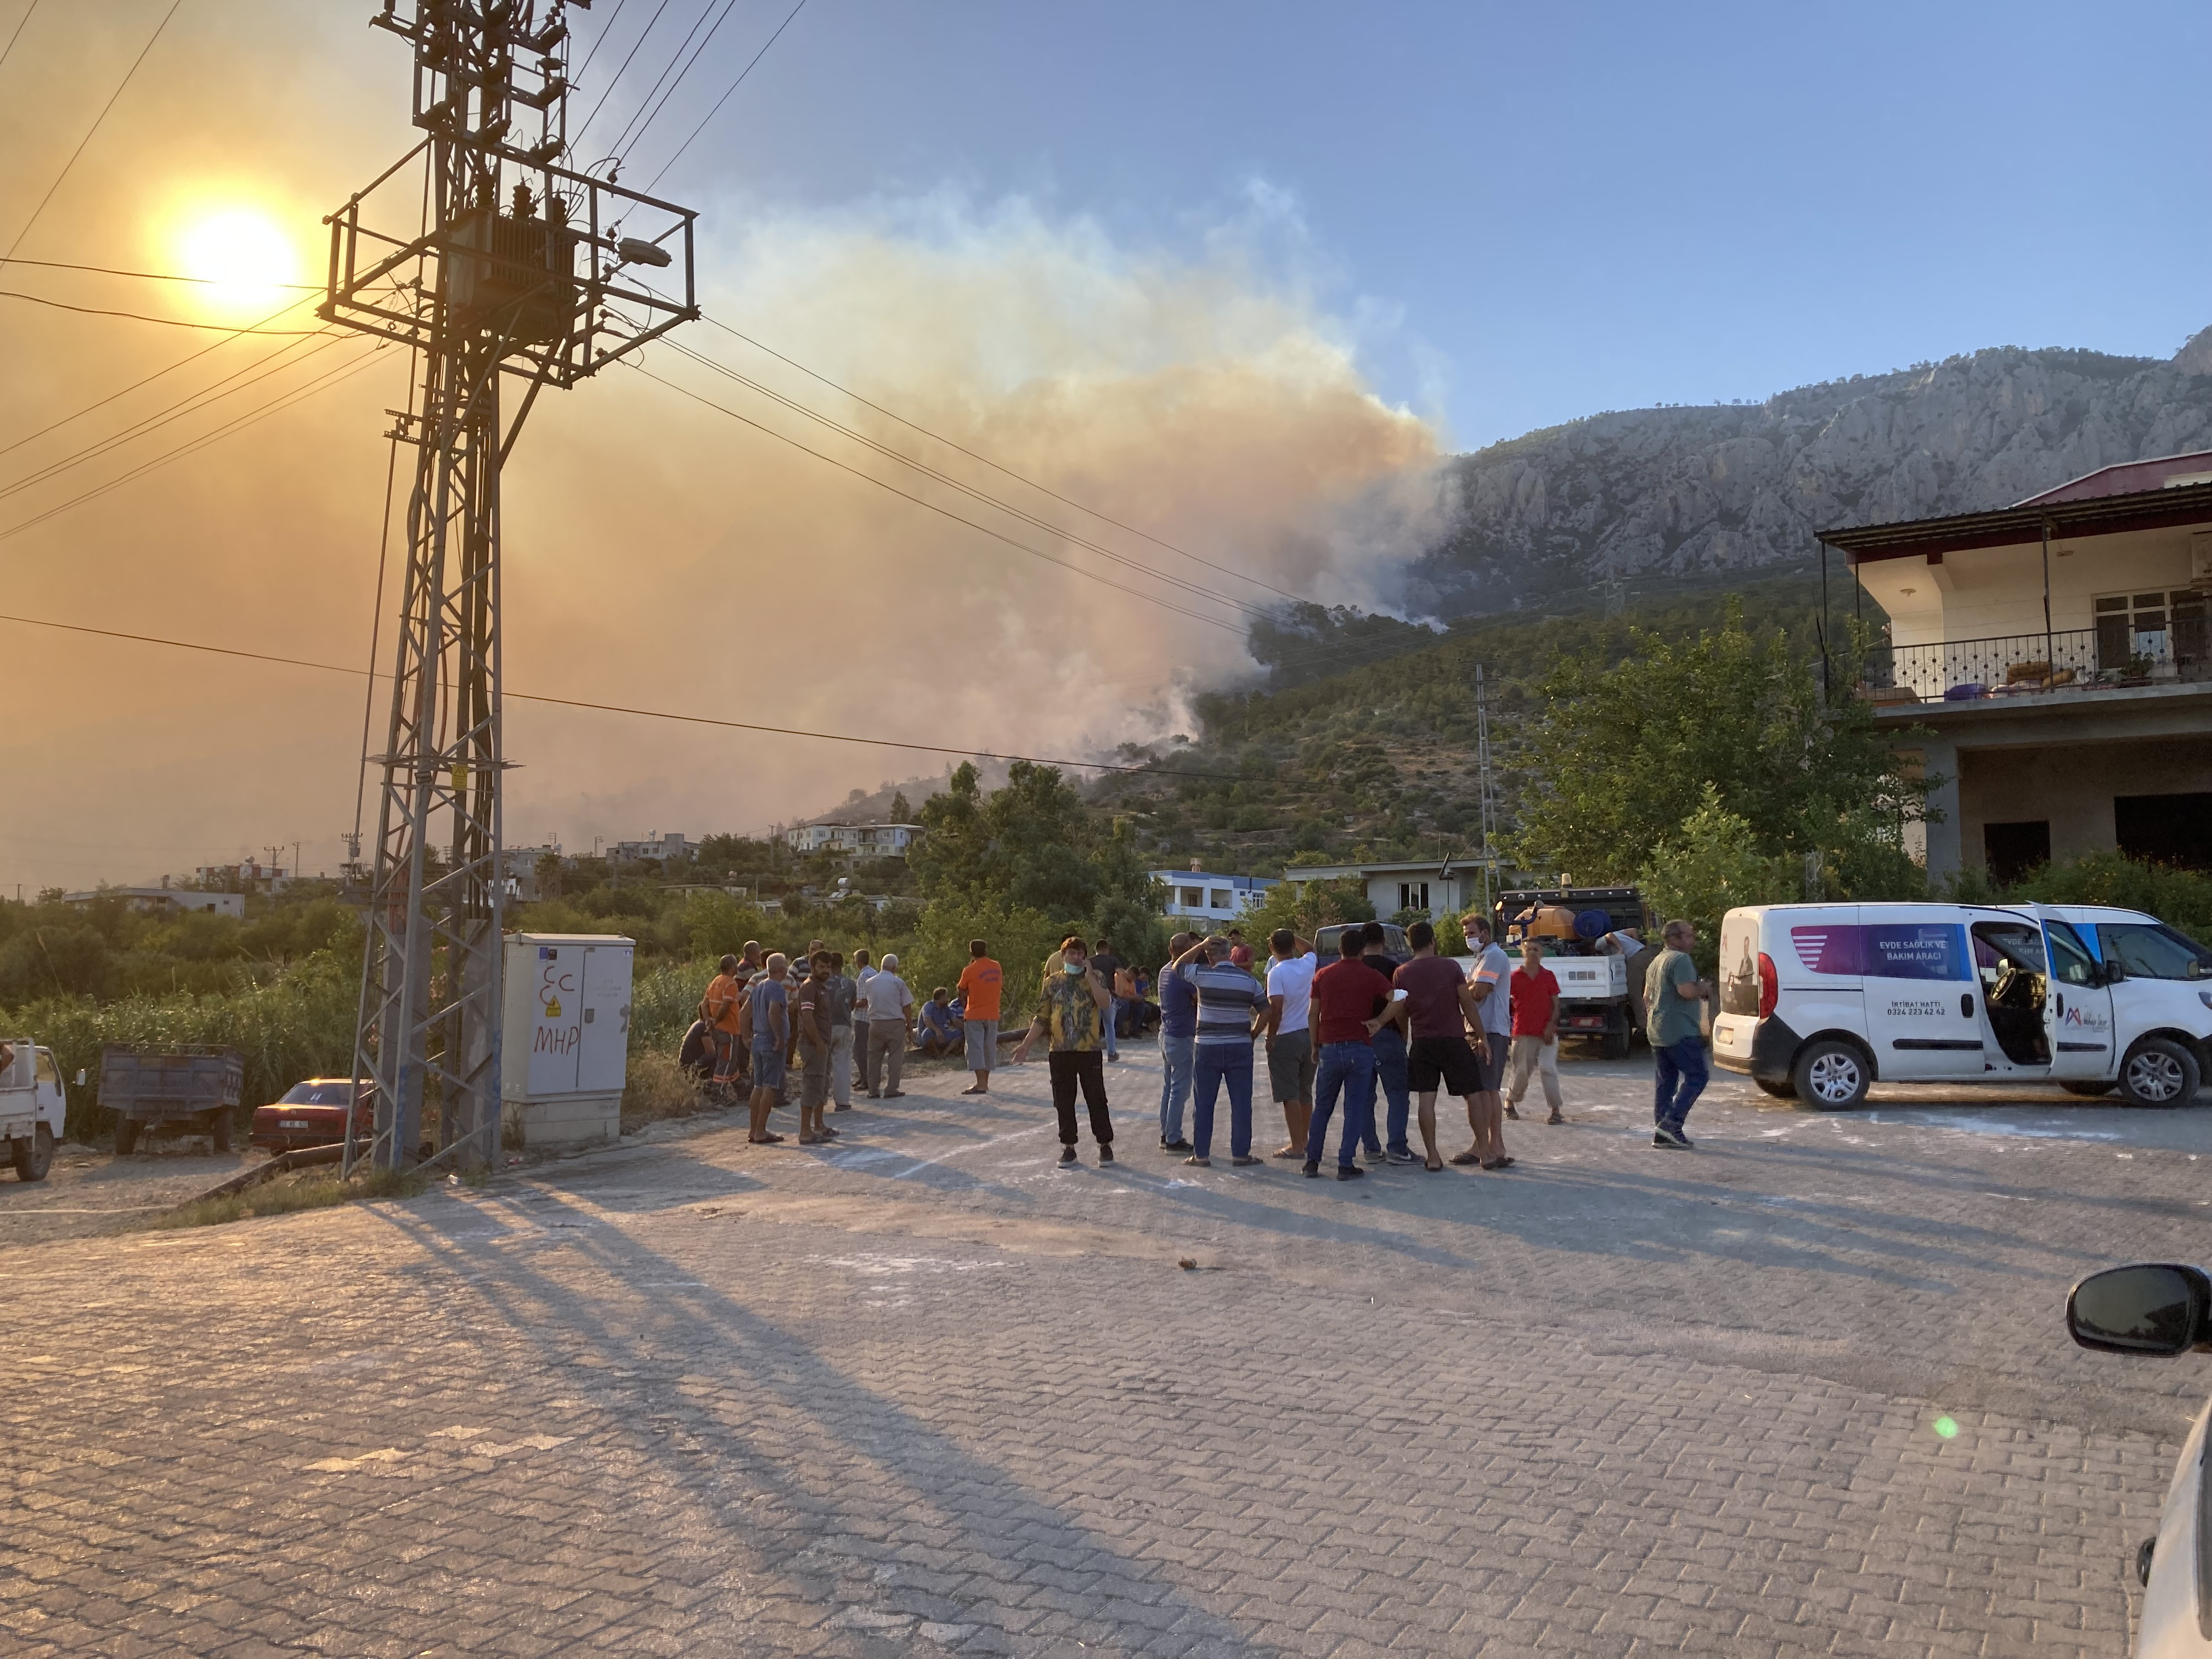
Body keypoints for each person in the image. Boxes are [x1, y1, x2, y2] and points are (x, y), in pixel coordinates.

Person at [1397, 921, 1500, 1170]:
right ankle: (1485, 1154)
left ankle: (1433, 1157)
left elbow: (1400, 1011)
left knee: (1426, 1099)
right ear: (1433, 940)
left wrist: (1404, 1038)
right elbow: (1467, 1003)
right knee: (1473, 1096)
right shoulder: (1450, 967)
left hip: (1423, 1043)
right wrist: (1482, 1037)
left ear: (1410, 944)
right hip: (1453, 1040)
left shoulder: (1402, 972)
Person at [1012, 935, 1115, 1165]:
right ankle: (1069, 1147)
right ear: (1063, 955)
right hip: (1060, 1050)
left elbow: (1105, 1004)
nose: (1077, 958)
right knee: (1064, 1101)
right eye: (1073, 954)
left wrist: (1090, 978)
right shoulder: (1052, 982)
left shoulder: (1096, 977)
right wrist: (1026, 1045)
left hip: (1089, 1050)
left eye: (1081, 954)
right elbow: (1042, 1017)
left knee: (1096, 1099)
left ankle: (1105, 1145)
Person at [1303, 930, 1395, 1180]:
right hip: (1360, 1046)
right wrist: (1380, 1021)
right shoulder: (1370, 975)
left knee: (1322, 1107)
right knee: (1354, 1107)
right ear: (1363, 950)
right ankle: (1346, 1164)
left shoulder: (1323, 975)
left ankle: (1312, 1161)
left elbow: (1313, 1014)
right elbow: (1397, 998)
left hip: (1329, 1047)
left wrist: (1314, 1044)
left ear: (1339, 949)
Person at [1187, 934, 1269, 1168]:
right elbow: (1266, 1012)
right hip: (1240, 1046)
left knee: (1204, 1102)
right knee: (1242, 1102)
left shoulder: (1202, 975)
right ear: (1230, 954)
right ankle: (1241, 1154)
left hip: (1207, 1047)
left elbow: (1177, 966)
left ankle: (1201, 1155)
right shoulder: (1249, 980)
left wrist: (1200, 946)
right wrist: (1252, 1034)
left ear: (1210, 955)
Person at [1646, 918, 1713, 1149]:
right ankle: (1671, 1125)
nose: (1693, 939)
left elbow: (1647, 997)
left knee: (1666, 1081)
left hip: (1658, 1029)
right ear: (1675, 938)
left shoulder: (1657, 961)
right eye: (1689, 935)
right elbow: (1686, 991)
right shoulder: (1681, 959)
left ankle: (1662, 1130)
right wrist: (1703, 988)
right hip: (1680, 1030)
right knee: (1698, 1076)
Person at [1261, 928, 1318, 1159]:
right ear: (1293, 945)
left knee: (1289, 1094)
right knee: (1305, 1092)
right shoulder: (1308, 964)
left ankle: (1296, 1146)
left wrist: (1271, 1036)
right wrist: (1292, 936)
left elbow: (1276, 1006)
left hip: (1286, 1036)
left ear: (1271, 948)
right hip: (1309, 1034)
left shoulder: (1276, 972)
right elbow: (1311, 948)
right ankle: (1304, 1139)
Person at [1358, 919, 1413, 1164]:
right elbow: (1400, 1006)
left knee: (1363, 1096)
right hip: (1387, 1035)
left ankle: (1370, 1148)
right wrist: (1403, 1033)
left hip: (1358, 1039)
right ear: (1383, 941)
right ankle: (1397, 1148)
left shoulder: (1353, 969)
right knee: (1398, 1094)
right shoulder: (1394, 969)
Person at [1464, 913, 1516, 1143]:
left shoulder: (1494, 956)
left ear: (1485, 933)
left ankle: (1486, 1146)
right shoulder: (1480, 959)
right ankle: (1493, 1145)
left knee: (1487, 1090)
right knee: (1485, 1090)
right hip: (1479, 1030)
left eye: (1472, 933)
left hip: (1491, 1031)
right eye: (1466, 935)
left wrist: (1464, 986)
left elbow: (1477, 993)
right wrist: (1468, 986)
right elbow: (1470, 989)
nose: (1469, 938)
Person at [1504, 936, 1564, 1127]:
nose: (1532, 953)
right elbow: (1504, 1003)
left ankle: (1555, 1110)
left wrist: (1550, 1026)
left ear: (1542, 952)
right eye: (1528, 949)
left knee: (1548, 1068)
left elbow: (1556, 1005)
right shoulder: (1514, 977)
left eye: (1535, 949)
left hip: (1546, 1032)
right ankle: (1510, 1101)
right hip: (1523, 1031)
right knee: (1522, 1070)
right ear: (1522, 952)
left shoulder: (1548, 976)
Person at [1154, 931, 1198, 1153]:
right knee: (1180, 1091)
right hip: (1182, 1037)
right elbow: (1199, 1000)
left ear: (1171, 950)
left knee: (1168, 1088)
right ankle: (1173, 1138)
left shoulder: (1164, 971)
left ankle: (1166, 1132)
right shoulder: (1185, 975)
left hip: (1166, 1034)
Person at [791, 951, 837, 1144]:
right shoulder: (809, 988)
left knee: (822, 1085)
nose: (826, 971)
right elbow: (808, 1018)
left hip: (823, 1044)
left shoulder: (822, 988)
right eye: (821, 967)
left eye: (828, 967)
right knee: (812, 1085)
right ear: (812, 968)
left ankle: (819, 1125)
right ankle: (805, 1131)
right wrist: (818, 1043)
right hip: (813, 1045)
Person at [744, 952, 790, 1144]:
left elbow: (743, 1013)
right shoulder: (777, 988)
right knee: (770, 1087)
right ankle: (762, 1131)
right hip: (770, 1042)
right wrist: (779, 1037)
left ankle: (754, 1130)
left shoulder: (758, 987)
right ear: (782, 970)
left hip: (757, 1040)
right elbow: (774, 1012)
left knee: (758, 1086)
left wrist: (746, 1037)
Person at [861, 951, 913, 1097]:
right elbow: (907, 1005)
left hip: (875, 1024)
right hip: (895, 1024)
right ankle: (891, 1089)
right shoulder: (898, 983)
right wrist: (909, 1025)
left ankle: (873, 1091)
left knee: (874, 1058)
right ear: (894, 968)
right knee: (895, 1058)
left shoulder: (869, 982)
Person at [956, 938, 1003, 1096]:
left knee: (975, 1048)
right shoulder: (996, 966)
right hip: (993, 1013)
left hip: (975, 1014)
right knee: (989, 1048)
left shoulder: (969, 970)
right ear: (986, 950)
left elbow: (961, 988)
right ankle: (985, 1083)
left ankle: (980, 1084)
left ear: (971, 952)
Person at [704, 954, 747, 1099]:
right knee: (726, 1062)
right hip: (728, 1030)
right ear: (731, 968)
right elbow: (726, 1006)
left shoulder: (715, 982)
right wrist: (715, 1020)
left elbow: (704, 1004)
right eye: (736, 966)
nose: (737, 968)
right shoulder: (730, 984)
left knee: (730, 1061)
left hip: (718, 1030)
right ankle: (718, 1093)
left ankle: (741, 1090)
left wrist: (708, 1021)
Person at [824, 950, 857, 1111]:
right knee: (842, 1065)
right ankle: (842, 1102)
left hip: (824, 1026)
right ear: (842, 965)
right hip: (843, 1025)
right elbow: (852, 1005)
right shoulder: (850, 983)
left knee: (822, 1065)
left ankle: (820, 1100)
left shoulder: (821, 982)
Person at [1090, 936, 1126, 1060]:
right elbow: (1122, 974)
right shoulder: (1113, 960)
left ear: (1096, 950)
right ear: (1107, 949)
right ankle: (1112, 1053)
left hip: (1093, 997)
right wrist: (1119, 991)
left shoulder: (1090, 961)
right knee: (1109, 1025)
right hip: (1109, 996)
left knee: (1094, 1026)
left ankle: (1093, 1053)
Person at [850, 948, 877, 1096]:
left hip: (863, 1018)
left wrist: (849, 1004)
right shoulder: (874, 973)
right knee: (868, 1050)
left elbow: (864, 1001)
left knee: (859, 1052)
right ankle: (865, 1078)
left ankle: (865, 1080)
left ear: (858, 961)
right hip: (873, 1017)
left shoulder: (863, 976)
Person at [916, 989, 963, 1057]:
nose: (948, 999)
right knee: (928, 1031)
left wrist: (966, 1029)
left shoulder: (945, 1008)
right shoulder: (928, 1006)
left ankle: (945, 1053)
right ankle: (936, 1053)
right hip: (928, 1036)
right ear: (941, 998)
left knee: (959, 1033)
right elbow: (927, 1021)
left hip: (942, 1035)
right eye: (946, 997)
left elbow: (954, 1020)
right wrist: (937, 1030)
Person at [677, 1001, 714, 1081]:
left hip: (688, 1063)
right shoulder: (703, 1027)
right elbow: (710, 1051)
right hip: (692, 1064)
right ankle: (712, 1083)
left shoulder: (698, 1024)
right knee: (719, 1056)